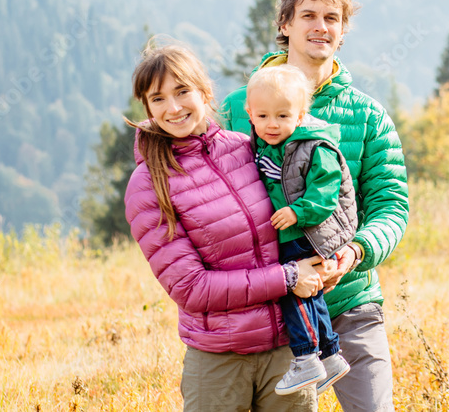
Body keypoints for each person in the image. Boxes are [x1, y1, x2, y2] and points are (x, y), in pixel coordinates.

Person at [222, 0, 409, 412]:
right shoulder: (238, 108)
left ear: (343, 31)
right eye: (308, 15)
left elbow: (391, 206)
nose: (320, 27)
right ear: (285, 24)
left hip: (349, 300)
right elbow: (218, 199)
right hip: (269, 306)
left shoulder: (368, 116)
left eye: (331, 18)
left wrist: (355, 252)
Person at [124, 40, 322, 412]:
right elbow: (192, 288)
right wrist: (288, 278)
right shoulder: (149, 183)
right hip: (219, 361)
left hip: (287, 352)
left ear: (204, 91)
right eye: (158, 99)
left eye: (182, 91)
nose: (174, 107)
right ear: (148, 108)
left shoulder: (247, 149)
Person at [244, 64, 356, 395]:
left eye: (282, 116)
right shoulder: (264, 146)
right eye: (263, 116)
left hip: (303, 234)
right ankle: (330, 355)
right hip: (286, 236)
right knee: (311, 295)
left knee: (295, 293)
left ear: (301, 115)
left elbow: (325, 194)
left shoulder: (314, 147)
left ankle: (306, 356)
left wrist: (297, 212)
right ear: (250, 114)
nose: (272, 124)